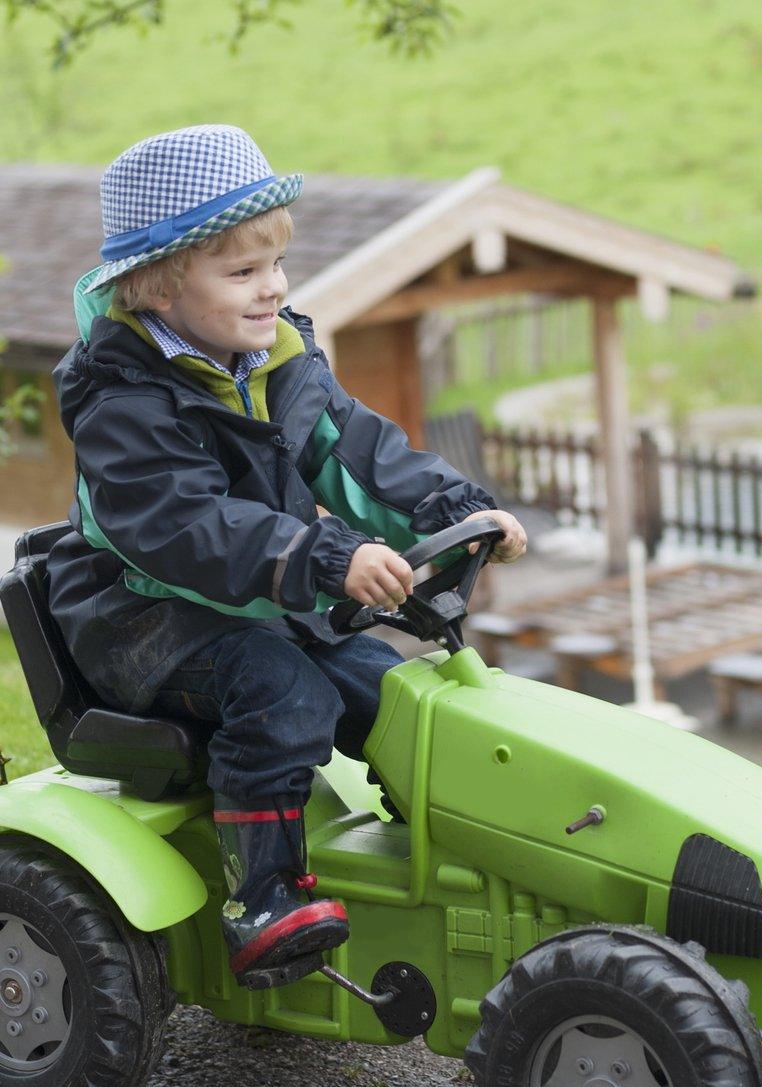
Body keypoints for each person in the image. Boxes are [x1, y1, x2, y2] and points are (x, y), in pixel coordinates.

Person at [42, 125, 528, 988]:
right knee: (284, 691)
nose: (271, 288)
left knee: (393, 689)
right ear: (156, 286)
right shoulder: (122, 401)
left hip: (261, 598)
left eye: (276, 266)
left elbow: (358, 454)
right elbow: (185, 527)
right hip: (140, 617)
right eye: (242, 272)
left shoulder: (276, 358)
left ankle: (464, 844)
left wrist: (457, 508)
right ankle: (262, 898)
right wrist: (326, 554)